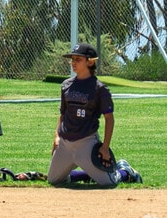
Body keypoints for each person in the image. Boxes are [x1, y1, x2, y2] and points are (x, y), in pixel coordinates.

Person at [47, 43, 142, 186]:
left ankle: (125, 171)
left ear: (90, 61)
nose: (73, 62)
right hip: (65, 144)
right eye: (72, 59)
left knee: (109, 182)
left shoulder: (100, 88)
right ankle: (87, 174)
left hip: (86, 142)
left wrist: (105, 147)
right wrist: (56, 136)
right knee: (53, 180)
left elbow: (109, 119)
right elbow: (63, 114)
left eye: (78, 59)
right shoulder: (66, 85)